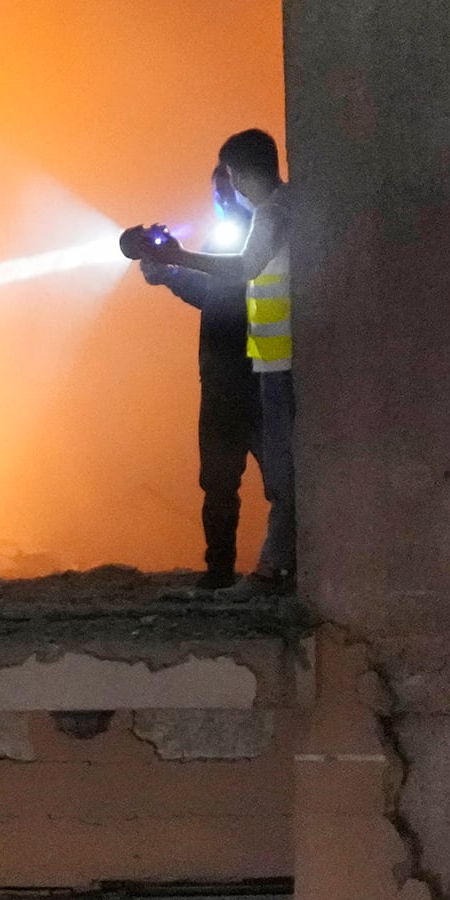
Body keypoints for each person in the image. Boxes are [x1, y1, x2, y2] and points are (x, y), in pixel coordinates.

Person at [121, 129, 294, 589]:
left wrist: (178, 263)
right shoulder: (255, 226)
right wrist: (171, 273)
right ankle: (225, 573)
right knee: (222, 483)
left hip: (261, 372)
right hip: (231, 375)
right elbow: (217, 296)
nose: (225, 198)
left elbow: (238, 278)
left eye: (228, 186)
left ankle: (274, 572)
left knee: (283, 480)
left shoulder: (268, 222)